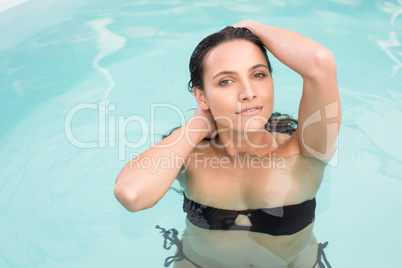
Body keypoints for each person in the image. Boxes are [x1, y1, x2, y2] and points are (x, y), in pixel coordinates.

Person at [114, 19, 341, 268]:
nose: (248, 92)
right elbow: (131, 195)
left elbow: (321, 62)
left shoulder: (306, 152)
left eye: (258, 74)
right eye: (226, 81)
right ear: (201, 96)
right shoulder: (191, 158)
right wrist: (199, 123)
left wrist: (250, 26)